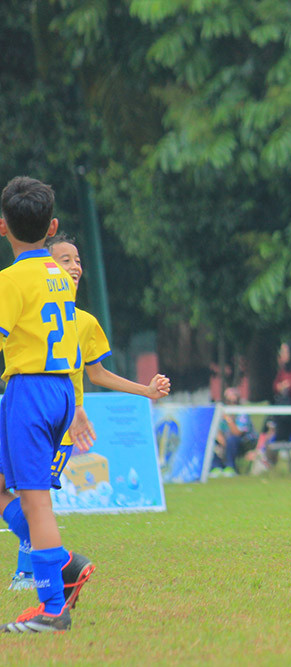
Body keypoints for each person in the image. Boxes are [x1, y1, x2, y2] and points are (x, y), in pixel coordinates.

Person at [6, 233, 170, 589]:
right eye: (65, 260)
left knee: (31, 496)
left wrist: (144, 391)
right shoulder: (30, 302)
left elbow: (96, 373)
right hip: (37, 406)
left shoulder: (85, 322)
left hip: (51, 418)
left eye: (78, 260)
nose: (75, 266)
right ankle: (43, 566)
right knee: (18, 491)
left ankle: (40, 571)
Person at [0, 176, 98, 633]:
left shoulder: (10, 280)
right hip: (59, 388)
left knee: (36, 503)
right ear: (52, 225)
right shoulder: (62, 274)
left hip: (31, 391)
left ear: (3, 227)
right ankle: (63, 563)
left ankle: (51, 608)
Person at [210, 387, 253, 478]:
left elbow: (237, 433)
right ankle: (216, 467)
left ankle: (230, 467)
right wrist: (220, 438)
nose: (231, 404)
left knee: (232, 440)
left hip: (241, 442)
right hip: (224, 441)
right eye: (229, 401)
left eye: (234, 402)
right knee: (211, 440)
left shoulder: (242, 413)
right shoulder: (220, 411)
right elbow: (215, 429)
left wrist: (228, 419)